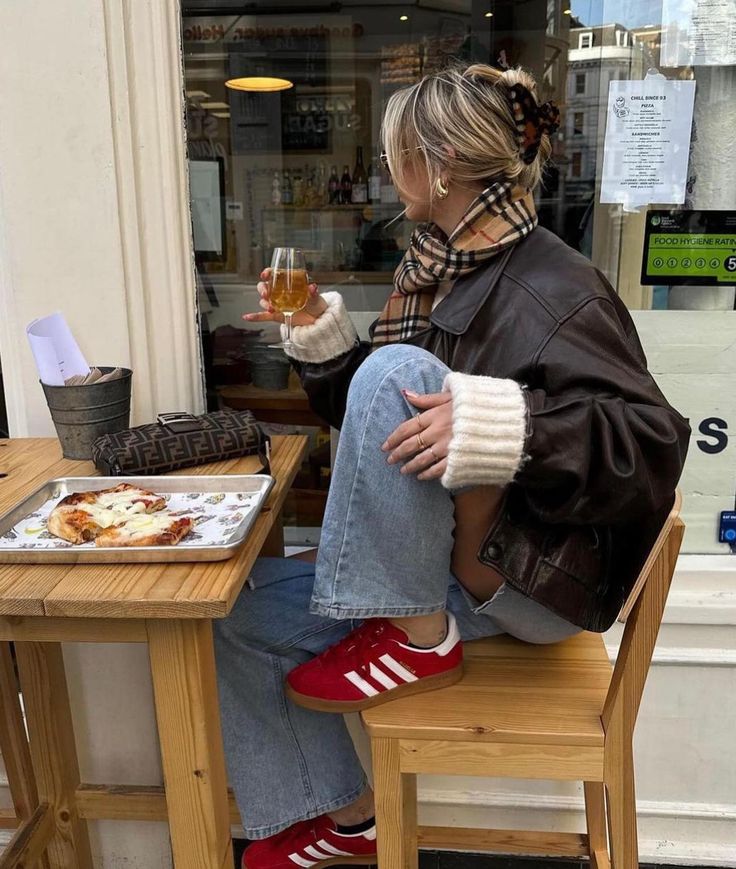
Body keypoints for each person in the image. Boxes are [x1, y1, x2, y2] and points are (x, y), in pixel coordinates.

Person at [215, 63, 690, 869]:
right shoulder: (436, 266)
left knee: (394, 374)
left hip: (534, 580)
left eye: (395, 153)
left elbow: (651, 444)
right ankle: (345, 816)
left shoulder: (553, 283)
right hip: (442, 564)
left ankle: (412, 636)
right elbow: (393, 439)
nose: (383, 170)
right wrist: (330, 346)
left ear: (435, 164)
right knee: (235, 611)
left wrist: (512, 426)